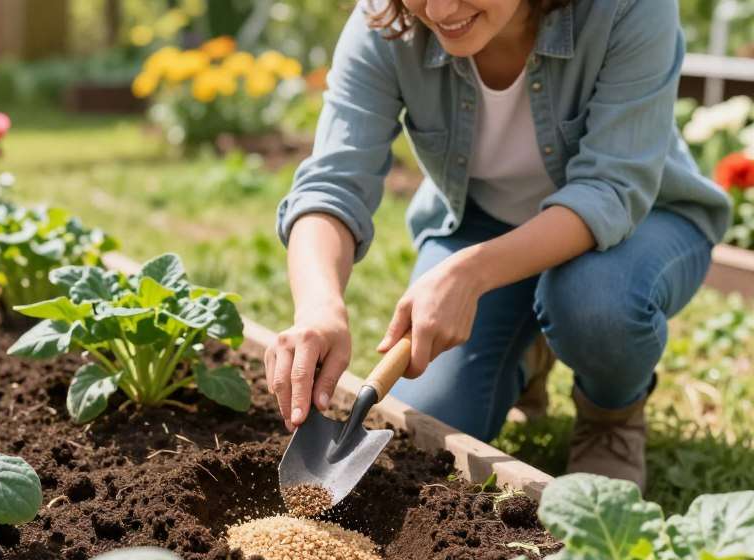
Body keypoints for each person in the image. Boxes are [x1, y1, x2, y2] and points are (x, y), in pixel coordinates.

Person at [265, 0, 730, 490]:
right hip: (484, 226)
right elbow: (332, 184)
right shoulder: (386, 21)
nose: (440, 9)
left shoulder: (628, 8)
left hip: (640, 222)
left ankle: (610, 417)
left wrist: (469, 275)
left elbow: (611, 191)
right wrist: (319, 307)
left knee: (595, 302)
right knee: (436, 418)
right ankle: (531, 352)